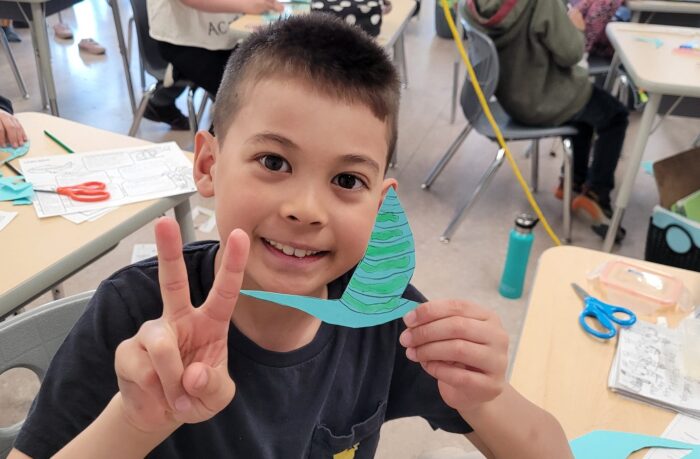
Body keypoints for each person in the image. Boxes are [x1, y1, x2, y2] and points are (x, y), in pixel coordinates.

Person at [9, 15, 572, 459]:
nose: (305, 209)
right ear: (207, 163)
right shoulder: (133, 313)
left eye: (347, 180)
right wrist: (133, 425)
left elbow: (551, 450)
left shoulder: (385, 324)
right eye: (274, 161)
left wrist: (487, 398)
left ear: (381, 205)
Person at [464, 0, 630, 227]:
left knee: (584, 108)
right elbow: (571, 54)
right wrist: (577, 28)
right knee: (615, 115)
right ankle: (597, 194)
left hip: (510, 97)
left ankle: (574, 181)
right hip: (542, 99)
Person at [142, 0, 283, 130]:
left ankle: (162, 102)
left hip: (224, 36)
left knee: (266, 80)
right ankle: (219, 151)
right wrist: (246, 5)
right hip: (185, 43)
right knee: (245, 97)